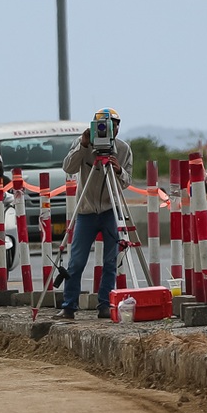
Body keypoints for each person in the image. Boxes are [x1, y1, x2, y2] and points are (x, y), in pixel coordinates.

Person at [57, 109, 134, 319]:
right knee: (77, 261)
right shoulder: (82, 143)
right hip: (86, 211)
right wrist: (83, 146)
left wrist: (118, 171)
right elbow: (68, 168)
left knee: (110, 262)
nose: (108, 129)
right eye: (101, 125)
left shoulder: (123, 149)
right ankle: (69, 306)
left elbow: (126, 182)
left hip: (111, 210)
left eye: (113, 125)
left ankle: (104, 305)